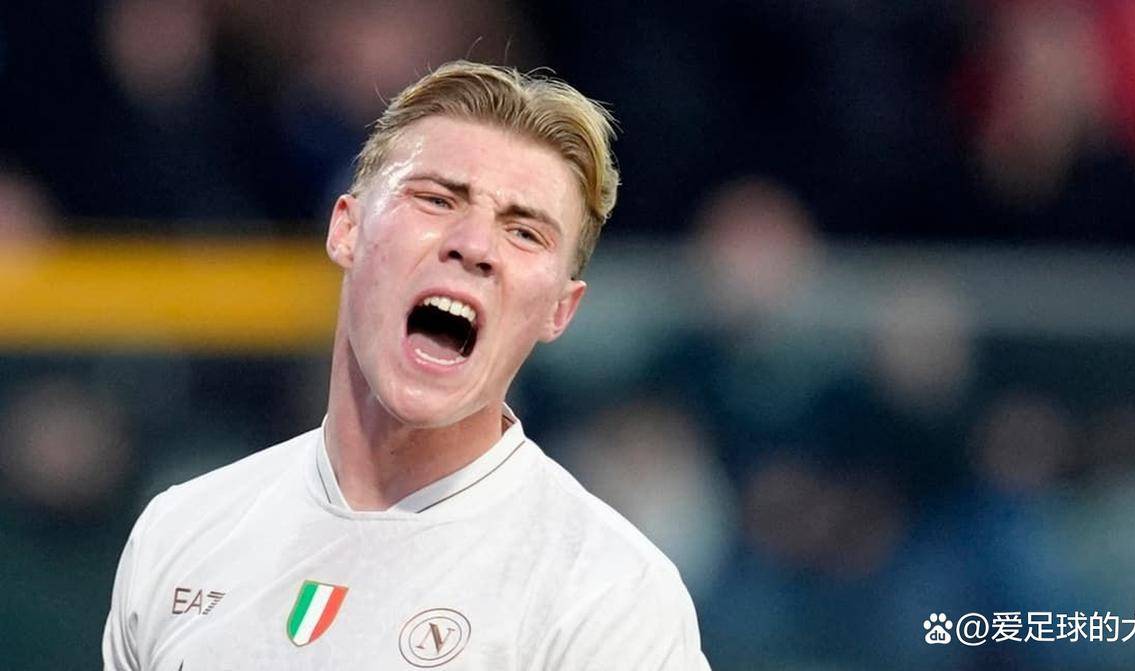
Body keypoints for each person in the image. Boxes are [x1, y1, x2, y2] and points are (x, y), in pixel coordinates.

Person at [103, 60, 710, 670]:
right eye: (437, 200)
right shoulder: (181, 534)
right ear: (346, 228)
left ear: (560, 309)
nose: (474, 245)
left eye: (525, 233)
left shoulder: (608, 598)